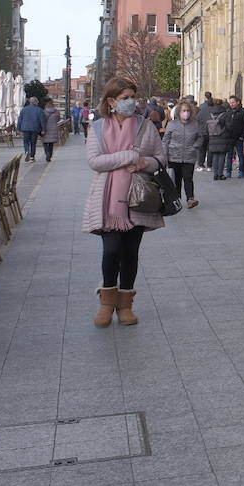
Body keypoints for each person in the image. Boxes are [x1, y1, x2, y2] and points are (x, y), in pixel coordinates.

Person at [83, 76, 166, 327]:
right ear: (111, 101)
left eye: (132, 97)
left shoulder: (145, 126)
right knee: (111, 251)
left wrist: (144, 162)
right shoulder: (97, 128)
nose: (131, 102)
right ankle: (107, 303)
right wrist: (129, 155)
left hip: (139, 199)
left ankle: (125, 305)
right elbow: (95, 161)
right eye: (124, 98)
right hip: (108, 200)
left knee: (131, 253)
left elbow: (161, 157)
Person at [161, 101, 202, 209]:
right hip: (173, 156)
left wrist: (195, 146)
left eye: (188, 111)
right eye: (184, 111)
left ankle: (190, 199)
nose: (186, 113)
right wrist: (164, 155)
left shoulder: (195, 124)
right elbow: (165, 140)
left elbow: (200, 137)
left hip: (189, 156)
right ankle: (177, 199)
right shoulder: (172, 124)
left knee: (188, 178)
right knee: (176, 179)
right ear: (179, 112)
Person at [221, 95, 244, 179]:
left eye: (233, 102)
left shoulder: (243, 112)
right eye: (230, 102)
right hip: (229, 137)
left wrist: (243, 135)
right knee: (229, 155)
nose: (231, 104)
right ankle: (228, 171)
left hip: (239, 137)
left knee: (240, 154)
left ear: (238, 102)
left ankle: (241, 172)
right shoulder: (228, 112)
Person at [18, 96, 46, 163]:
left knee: (26, 142)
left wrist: (18, 128)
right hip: (35, 128)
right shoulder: (39, 110)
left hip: (25, 128)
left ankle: (27, 151)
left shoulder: (24, 109)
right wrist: (43, 129)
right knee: (33, 143)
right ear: (36, 102)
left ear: (30, 102)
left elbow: (20, 119)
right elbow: (42, 120)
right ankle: (32, 157)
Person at [195, 92, 216, 171]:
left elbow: (197, 119)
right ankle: (209, 165)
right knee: (210, 148)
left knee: (202, 148)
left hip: (202, 130)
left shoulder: (201, 107)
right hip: (211, 130)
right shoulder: (214, 107)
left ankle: (201, 164)